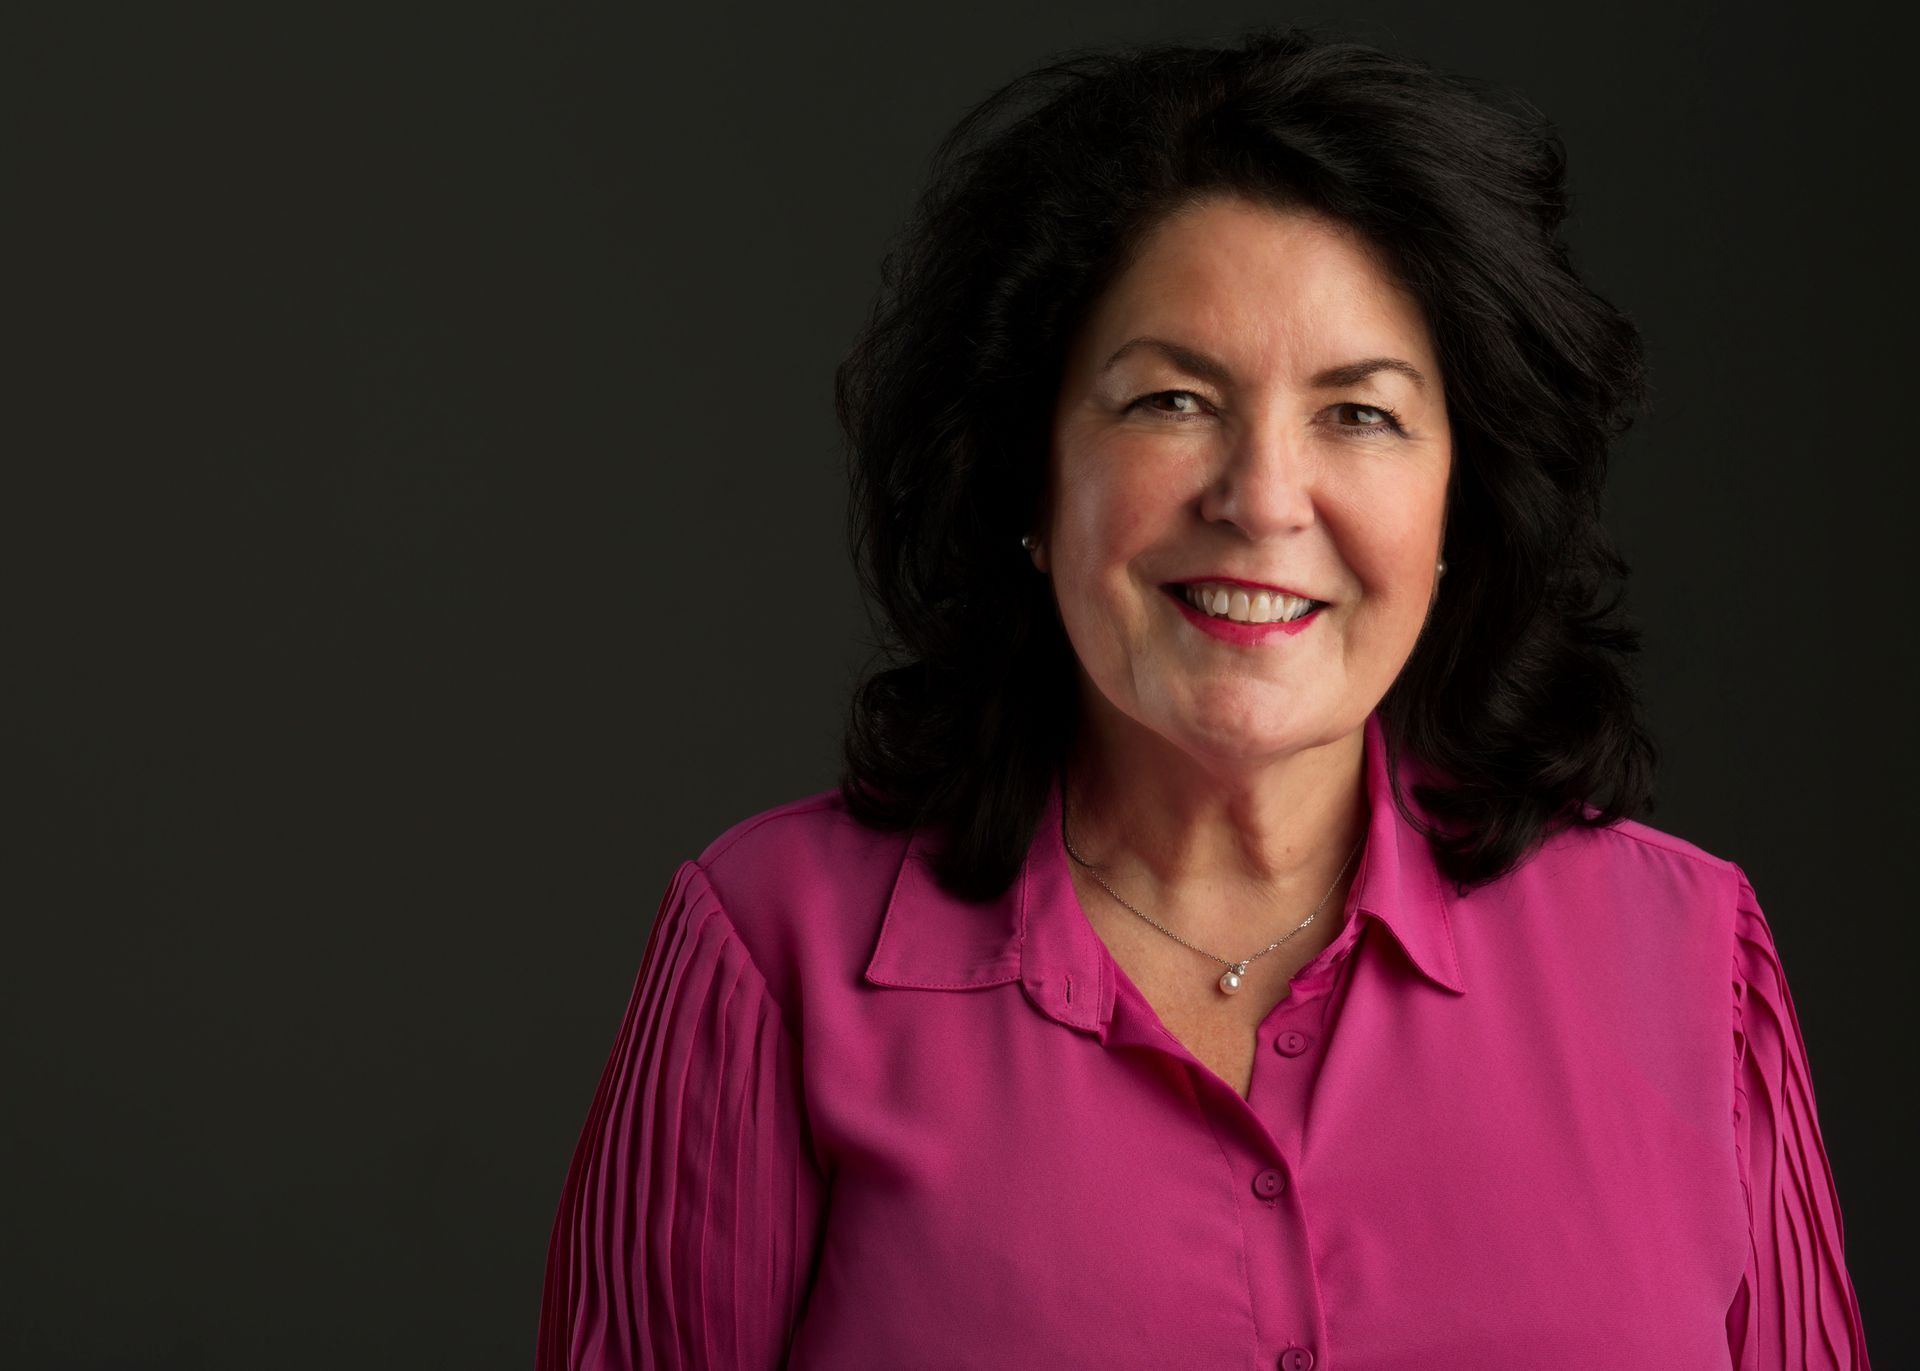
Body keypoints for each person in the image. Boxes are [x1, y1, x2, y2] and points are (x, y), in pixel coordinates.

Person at [535, 26, 1870, 1371]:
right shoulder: (773, 954)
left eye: (1360, 414)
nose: (1263, 501)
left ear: (1461, 503)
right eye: (1172, 401)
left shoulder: (1689, 964)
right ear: (1026, 476)